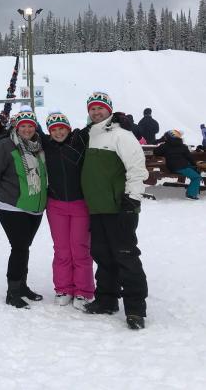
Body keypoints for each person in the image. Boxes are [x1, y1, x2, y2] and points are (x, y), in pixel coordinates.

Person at [81, 92, 149, 330]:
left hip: (120, 207)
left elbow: (137, 168)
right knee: (102, 255)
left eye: (100, 108)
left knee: (126, 257)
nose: (96, 112)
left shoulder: (122, 135)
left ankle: (135, 309)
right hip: (97, 208)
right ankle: (106, 300)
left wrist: (132, 199)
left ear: (109, 110)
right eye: (92, 109)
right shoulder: (89, 135)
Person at [0, 109, 48, 308]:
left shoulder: (38, 146)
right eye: (23, 126)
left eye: (30, 126)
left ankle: (22, 286)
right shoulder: (5, 145)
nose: (27, 129)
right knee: (19, 247)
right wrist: (3, 193)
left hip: (35, 207)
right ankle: (12, 292)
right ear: (16, 127)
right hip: (12, 206)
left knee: (23, 248)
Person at [40, 111, 94, 309]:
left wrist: (118, 120)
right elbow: (25, 131)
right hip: (56, 205)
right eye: (54, 129)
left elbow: (95, 125)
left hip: (80, 203)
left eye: (62, 128)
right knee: (62, 249)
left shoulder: (78, 140)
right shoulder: (46, 144)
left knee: (79, 248)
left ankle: (84, 291)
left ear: (68, 128)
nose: (58, 132)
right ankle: (63, 288)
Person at [154, 129, 200, 200]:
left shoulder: (165, 146)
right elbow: (189, 158)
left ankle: (195, 189)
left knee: (196, 172)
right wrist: (195, 165)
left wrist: (161, 141)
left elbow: (156, 152)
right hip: (180, 167)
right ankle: (191, 194)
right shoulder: (183, 146)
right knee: (196, 177)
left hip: (174, 166)